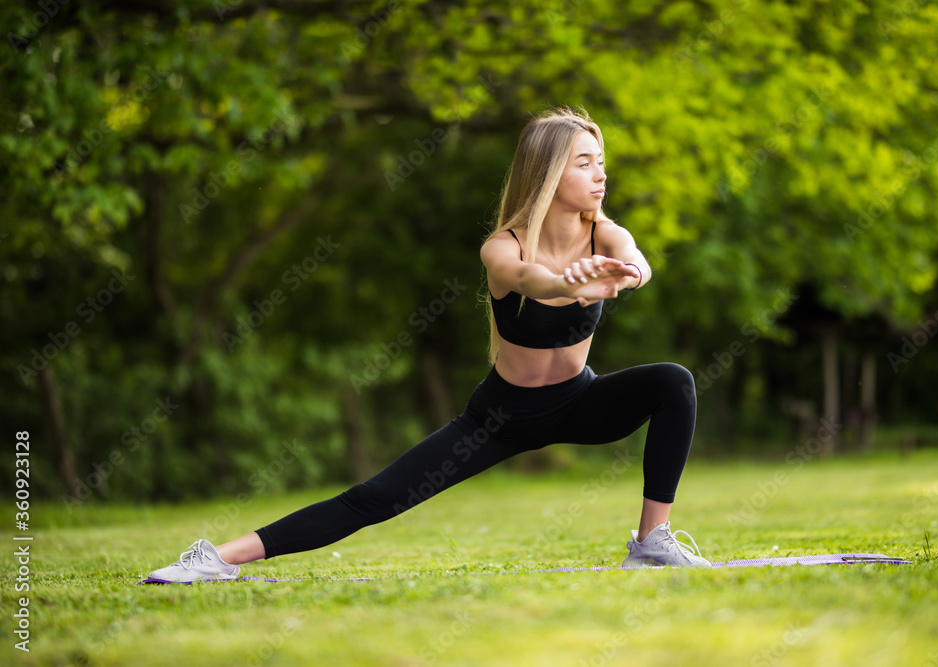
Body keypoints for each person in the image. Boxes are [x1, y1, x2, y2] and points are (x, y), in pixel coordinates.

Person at [147, 107, 709, 583]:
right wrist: (569, 284)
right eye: (583, 163)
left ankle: (651, 541)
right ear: (546, 173)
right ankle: (217, 558)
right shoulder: (503, 247)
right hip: (500, 418)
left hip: (579, 402)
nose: (599, 175)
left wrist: (624, 274)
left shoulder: (603, 233)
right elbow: (531, 281)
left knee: (672, 382)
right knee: (373, 499)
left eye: (600, 162)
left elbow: (638, 261)